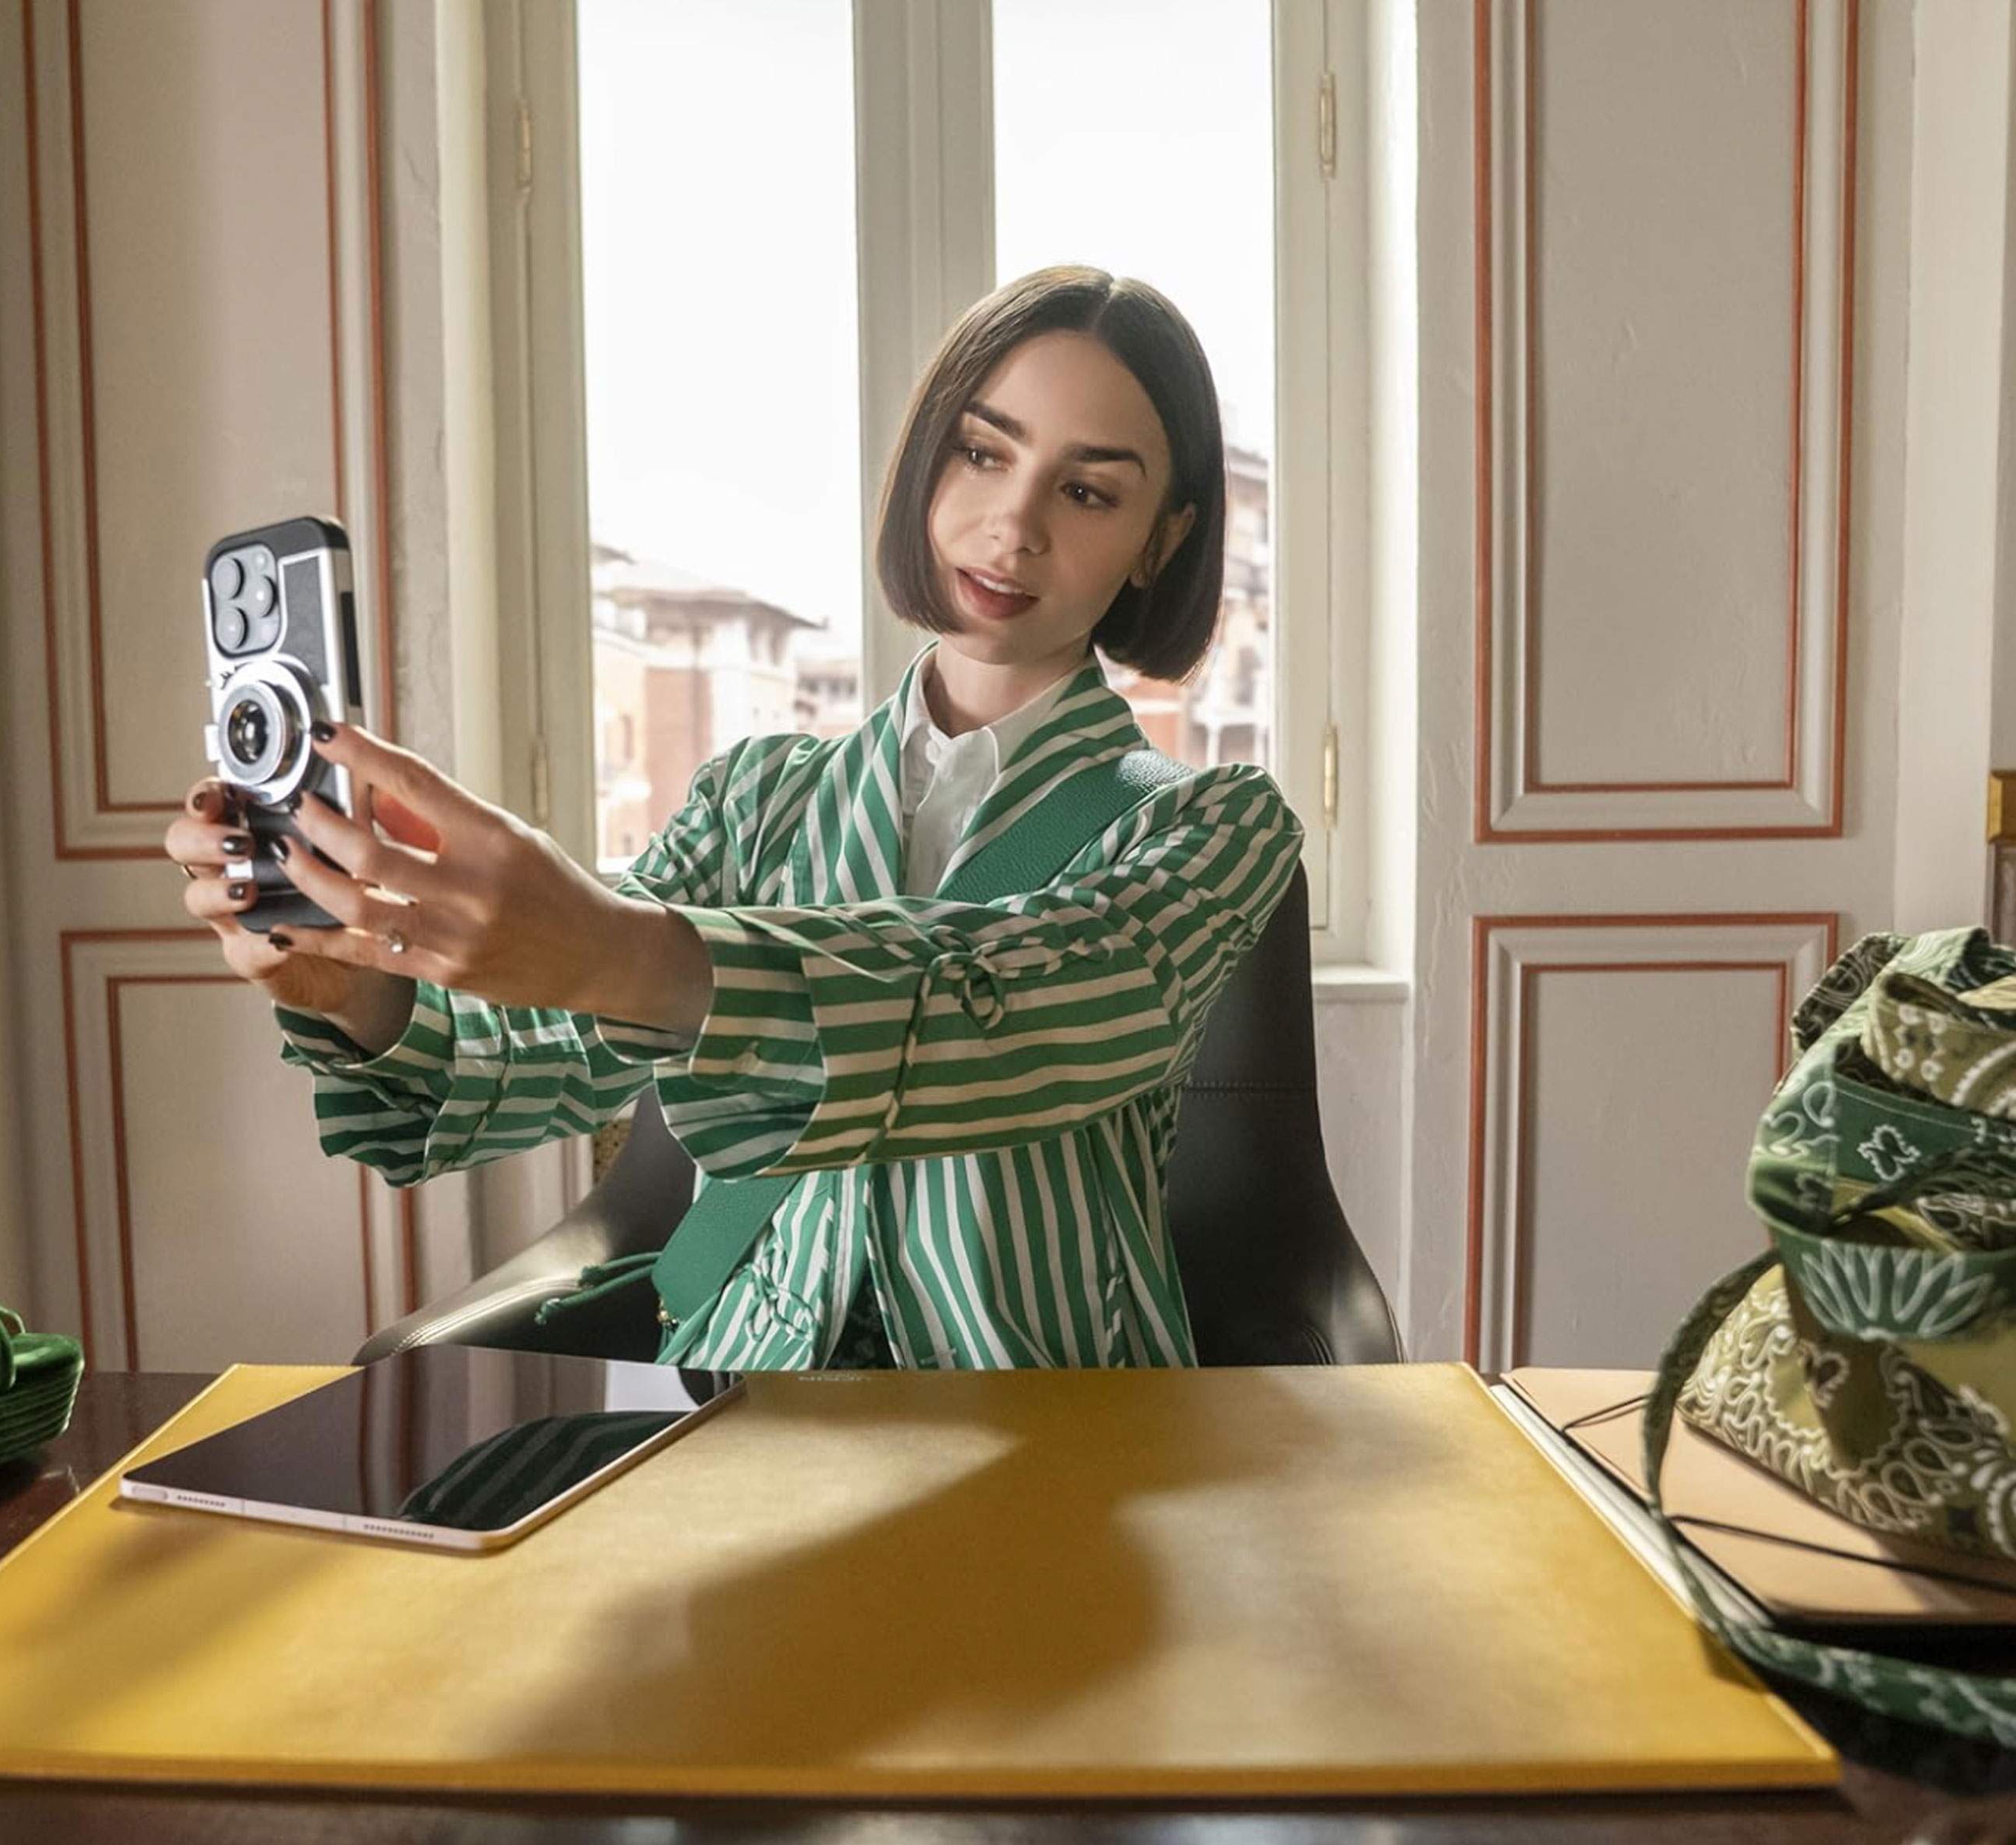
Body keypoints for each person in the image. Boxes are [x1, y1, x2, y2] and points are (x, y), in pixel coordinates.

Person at [166, 264, 1304, 1370]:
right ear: (928, 459)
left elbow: (1008, 1016)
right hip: (749, 1394)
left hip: (1055, 1416)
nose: (1014, 526)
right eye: (982, 451)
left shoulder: (1211, 827)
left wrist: (620, 950)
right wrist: (356, 991)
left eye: (1087, 491)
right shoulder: (756, 800)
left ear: (1162, 541)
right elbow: (551, 1054)